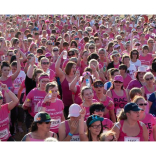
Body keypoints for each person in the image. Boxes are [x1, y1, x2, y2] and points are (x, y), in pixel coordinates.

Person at [55, 51, 77, 119]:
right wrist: (60, 56)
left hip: (75, 104)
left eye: (75, 67)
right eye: (73, 67)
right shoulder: (63, 76)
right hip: (66, 104)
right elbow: (56, 67)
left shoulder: (77, 77)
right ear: (68, 68)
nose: (74, 69)